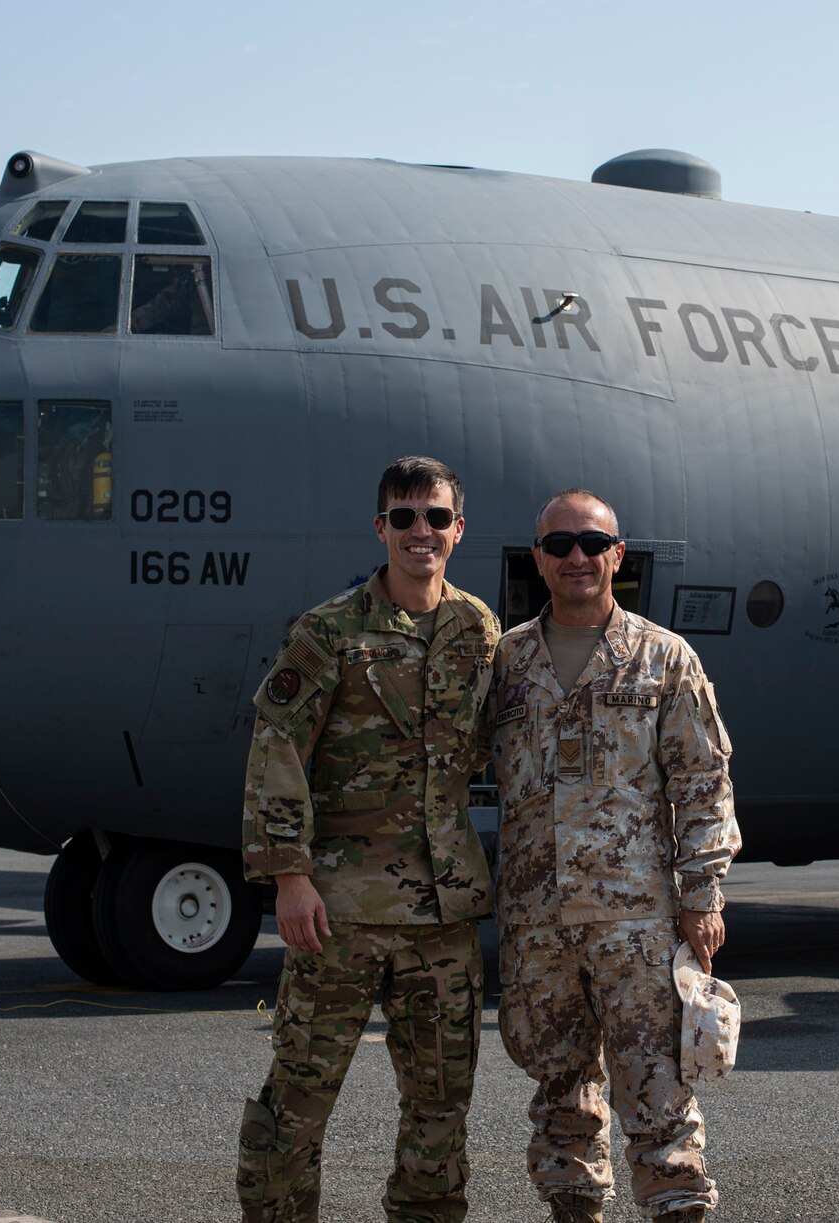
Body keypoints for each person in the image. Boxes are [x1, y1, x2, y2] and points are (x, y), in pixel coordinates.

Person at [237, 456, 501, 1223]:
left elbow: (489, 742)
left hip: (443, 917)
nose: (423, 531)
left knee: (441, 1109)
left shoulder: (476, 628)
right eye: (406, 517)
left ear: (458, 529)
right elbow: (277, 743)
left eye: (437, 517)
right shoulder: (330, 630)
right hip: (340, 913)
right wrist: (288, 874)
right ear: (380, 528)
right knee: (295, 1104)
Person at [490, 488, 742, 1223]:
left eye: (593, 544)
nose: (577, 557)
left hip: (635, 921)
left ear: (617, 555)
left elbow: (703, 779)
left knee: (657, 1084)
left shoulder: (664, 658)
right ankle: (573, 1210)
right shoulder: (506, 661)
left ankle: (677, 1210)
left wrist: (703, 895)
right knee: (560, 1088)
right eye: (560, 543)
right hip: (538, 922)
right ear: (538, 558)